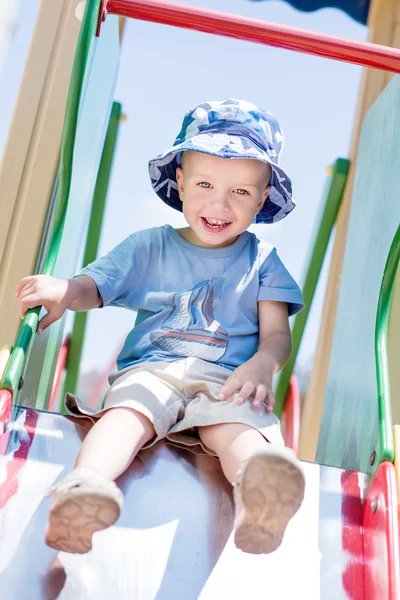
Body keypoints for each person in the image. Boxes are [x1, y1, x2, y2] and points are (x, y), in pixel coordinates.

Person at [16, 99, 306, 556]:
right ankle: (85, 487)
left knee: (237, 427)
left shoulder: (263, 261)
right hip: (154, 368)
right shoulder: (149, 246)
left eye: (241, 192)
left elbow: (276, 335)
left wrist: (261, 365)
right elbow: (99, 287)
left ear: (263, 198)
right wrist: (67, 291)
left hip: (227, 378)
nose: (220, 203)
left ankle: (262, 495)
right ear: (181, 183)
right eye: (206, 184)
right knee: (127, 414)